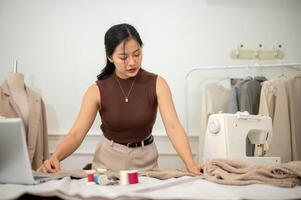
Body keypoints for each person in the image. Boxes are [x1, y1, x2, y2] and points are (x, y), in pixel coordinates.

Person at [38, 23, 203, 175]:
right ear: (110, 57)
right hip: (107, 163)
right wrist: (55, 157)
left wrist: (191, 164)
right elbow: (76, 133)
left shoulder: (158, 84)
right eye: (123, 57)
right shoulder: (96, 91)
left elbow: (173, 127)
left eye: (137, 54)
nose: (132, 62)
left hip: (146, 162)